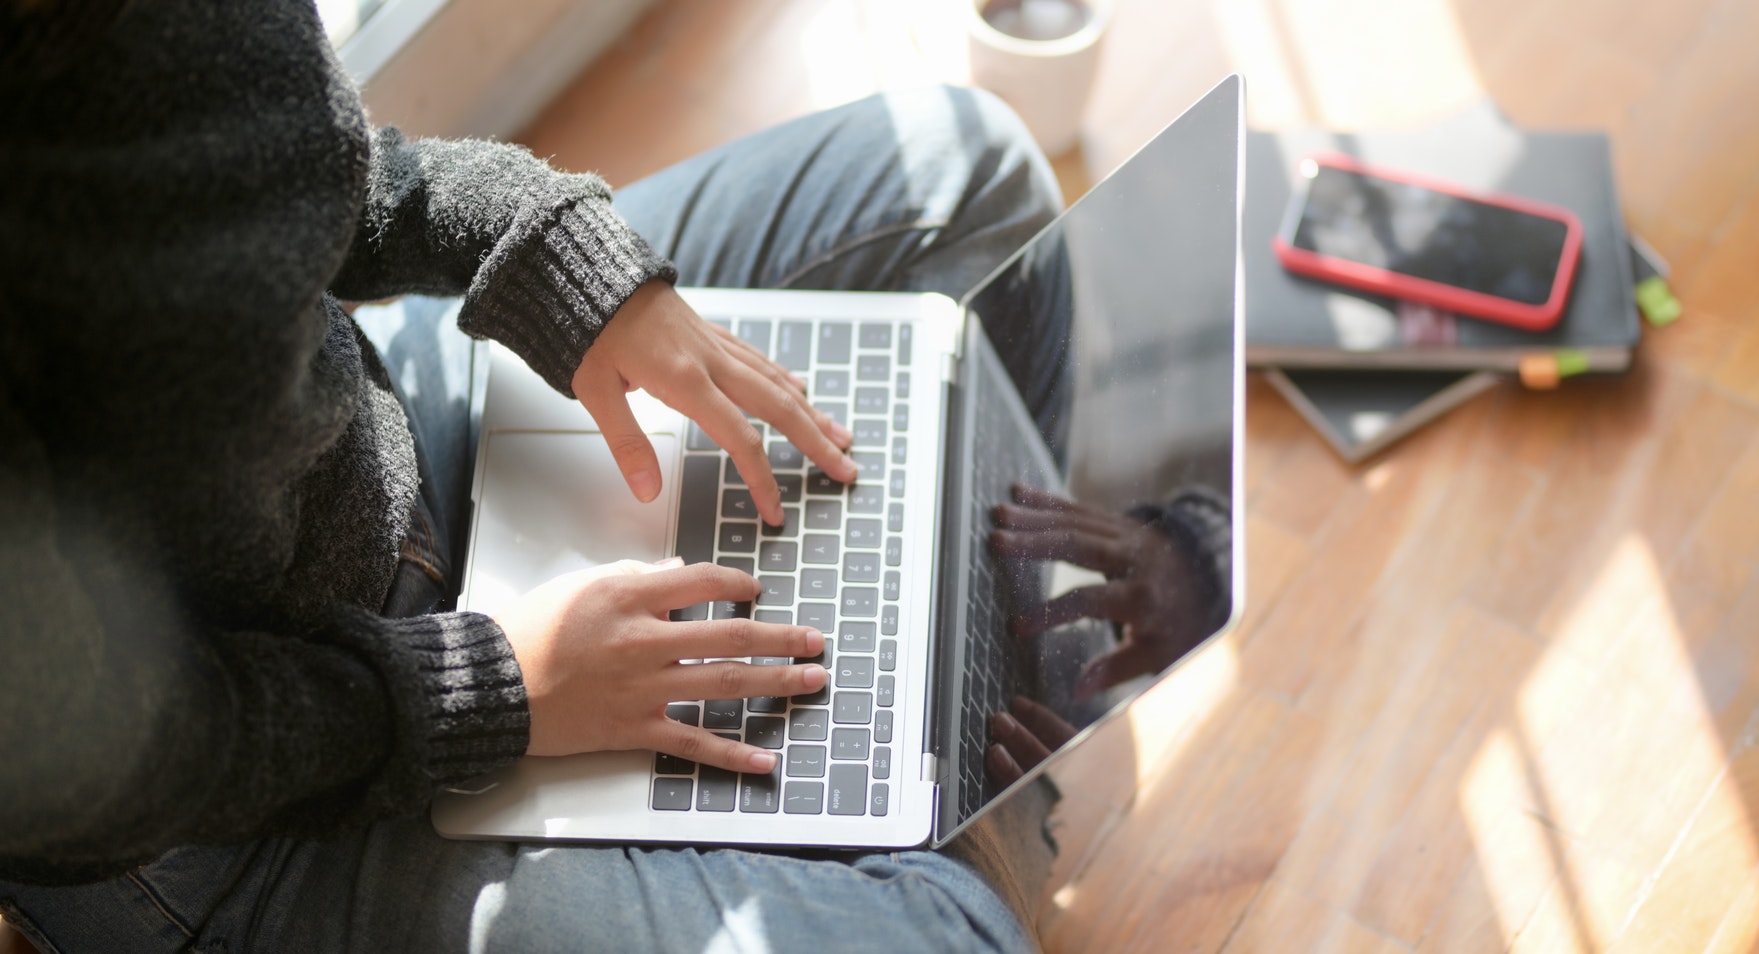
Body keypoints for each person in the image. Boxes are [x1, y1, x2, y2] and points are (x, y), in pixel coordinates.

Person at [0, 0, 1064, 949]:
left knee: (966, 170)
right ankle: (934, 776)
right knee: (956, 935)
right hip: (225, 805)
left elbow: (302, 174)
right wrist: (490, 691)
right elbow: (104, 776)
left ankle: (928, 748)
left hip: (393, 445)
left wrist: (557, 258)